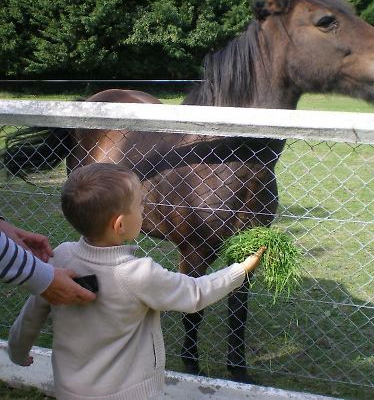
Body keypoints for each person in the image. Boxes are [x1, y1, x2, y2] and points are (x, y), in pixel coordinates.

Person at [8, 163, 265, 400]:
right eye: (140, 205)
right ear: (120, 225)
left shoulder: (59, 258)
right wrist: (239, 270)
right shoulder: (138, 274)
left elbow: (32, 313)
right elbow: (195, 293)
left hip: (69, 390)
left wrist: (18, 351)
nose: (144, 210)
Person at [0, 217, 96, 305]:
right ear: (112, 224)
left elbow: (31, 315)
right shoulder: (58, 255)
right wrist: (40, 277)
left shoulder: (61, 252)